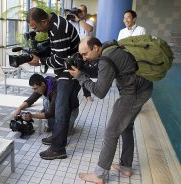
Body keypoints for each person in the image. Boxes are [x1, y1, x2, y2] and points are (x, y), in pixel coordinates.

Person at [68, 36, 153, 183]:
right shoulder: (109, 48)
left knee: (111, 133)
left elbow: (100, 92)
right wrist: (84, 68)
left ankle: (99, 175)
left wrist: (81, 77)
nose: (84, 58)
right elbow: (104, 72)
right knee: (126, 127)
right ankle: (126, 167)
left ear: (95, 47)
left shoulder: (106, 59)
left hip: (133, 93)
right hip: (143, 87)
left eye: (85, 54)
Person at [26, 7, 81, 160]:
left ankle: (58, 149)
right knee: (59, 107)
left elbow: (61, 59)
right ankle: (58, 138)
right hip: (65, 70)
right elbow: (56, 52)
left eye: (35, 27)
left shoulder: (58, 29)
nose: (36, 31)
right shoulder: (54, 24)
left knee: (61, 110)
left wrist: (40, 61)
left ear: (44, 21)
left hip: (68, 71)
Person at [13, 73, 79, 137]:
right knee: (47, 101)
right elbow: (31, 100)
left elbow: (50, 113)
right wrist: (19, 109)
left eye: (35, 88)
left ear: (43, 84)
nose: (35, 91)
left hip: (70, 110)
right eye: (33, 89)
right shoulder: (44, 85)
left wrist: (31, 116)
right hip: (59, 108)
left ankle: (68, 123)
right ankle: (52, 124)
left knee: (63, 134)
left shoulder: (56, 89)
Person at [69, 4, 95, 101]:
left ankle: (87, 94)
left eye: (82, 11)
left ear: (85, 12)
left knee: (84, 71)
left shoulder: (89, 21)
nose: (80, 13)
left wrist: (78, 20)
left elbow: (90, 29)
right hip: (74, 50)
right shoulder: (72, 22)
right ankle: (75, 93)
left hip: (85, 51)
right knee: (73, 69)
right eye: (78, 11)